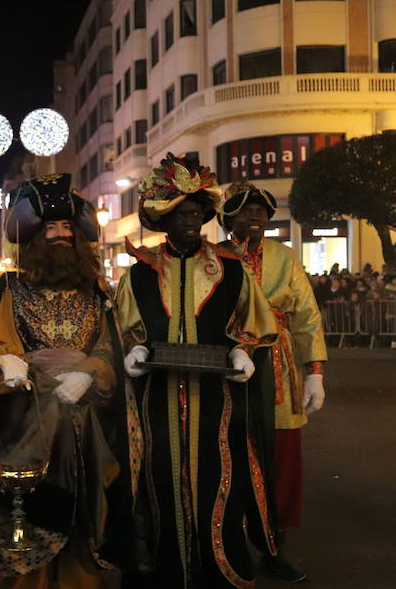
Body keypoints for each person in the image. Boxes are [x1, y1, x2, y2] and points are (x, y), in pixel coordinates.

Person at [115, 154, 279, 588]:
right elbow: (125, 330)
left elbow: (255, 321)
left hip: (218, 401)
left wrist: (244, 350)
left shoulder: (230, 268)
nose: (190, 221)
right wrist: (132, 351)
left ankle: (218, 567)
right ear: (163, 220)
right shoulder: (140, 275)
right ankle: (163, 569)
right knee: (159, 479)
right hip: (157, 400)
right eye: (180, 214)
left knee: (218, 478)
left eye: (196, 213)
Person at [0, 173, 143, 588]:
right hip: (31, 418)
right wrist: (11, 365)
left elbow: (110, 346)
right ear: (35, 234)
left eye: (67, 226)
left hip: (86, 423)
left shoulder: (95, 290)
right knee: (33, 508)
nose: (59, 234)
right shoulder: (11, 288)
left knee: (84, 509)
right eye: (50, 226)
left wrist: (89, 373)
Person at [218, 180, 327, 581]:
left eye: (262, 210)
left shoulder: (285, 257)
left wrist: (314, 370)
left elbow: (307, 316)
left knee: (280, 460)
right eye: (246, 209)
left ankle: (274, 547)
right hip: (226, 366)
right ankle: (227, 546)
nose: (256, 216)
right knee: (227, 456)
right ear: (228, 217)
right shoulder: (214, 258)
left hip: (278, 366)